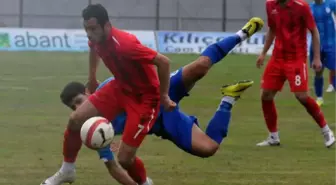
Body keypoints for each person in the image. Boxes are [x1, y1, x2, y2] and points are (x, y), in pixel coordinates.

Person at [40, 17, 264, 185]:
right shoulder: (96, 129)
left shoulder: (107, 89)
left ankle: (242, 34)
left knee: (200, 66)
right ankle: (228, 98)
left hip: (157, 92)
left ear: (89, 93)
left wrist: (163, 94)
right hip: (162, 121)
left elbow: (148, 66)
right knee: (208, 148)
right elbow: (116, 166)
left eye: (80, 101)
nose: (80, 108)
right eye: (74, 107)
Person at [256, 0, 335, 147]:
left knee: (302, 96)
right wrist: (263, 53)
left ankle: (326, 131)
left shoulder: (302, 7)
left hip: (296, 59)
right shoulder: (270, 5)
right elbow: (272, 29)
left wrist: (317, 58)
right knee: (266, 95)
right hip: (277, 58)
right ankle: (273, 136)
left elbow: (314, 31)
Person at [310, 0, 336, 106]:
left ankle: (333, 85)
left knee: (334, 69)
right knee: (318, 71)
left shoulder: (332, 4)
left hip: (332, 43)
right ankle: (319, 98)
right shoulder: (310, 8)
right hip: (316, 45)